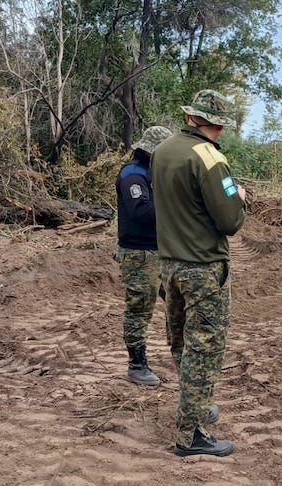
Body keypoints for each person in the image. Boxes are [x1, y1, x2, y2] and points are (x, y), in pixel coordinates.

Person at [151, 90, 247, 457]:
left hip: (169, 265)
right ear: (217, 123)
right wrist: (239, 198)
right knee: (203, 349)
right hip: (203, 268)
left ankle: (196, 407)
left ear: (190, 116)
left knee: (181, 341)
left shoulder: (162, 151)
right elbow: (229, 221)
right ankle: (190, 435)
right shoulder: (209, 157)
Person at [115, 125, 173, 386]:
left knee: (176, 303)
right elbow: (143, 213)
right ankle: (136, 365)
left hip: (160, 251)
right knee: (140, 309)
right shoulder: (133, 176)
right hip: (139, 253)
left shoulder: (151, 172)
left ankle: (181, 355)